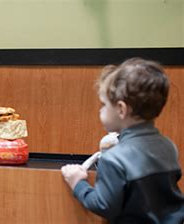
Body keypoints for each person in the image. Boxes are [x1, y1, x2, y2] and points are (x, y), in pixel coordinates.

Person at [61, 58, 183, 223]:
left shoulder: (114, 159)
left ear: (121, 109)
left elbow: (104, 206)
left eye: (104, 104)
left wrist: (78, 183)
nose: (101, 110)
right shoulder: (169, 146)